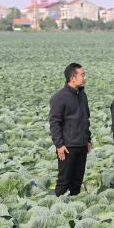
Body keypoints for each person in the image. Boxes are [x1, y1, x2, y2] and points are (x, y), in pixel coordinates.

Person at [49, 62, 92, 196]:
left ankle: (75, 207)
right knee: (64, 181)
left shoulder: (82, 95)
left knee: (77, 182)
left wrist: (88, 139)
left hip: (82, 144)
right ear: (72, 78)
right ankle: (56, 211)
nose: (85, 77)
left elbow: (86, 118)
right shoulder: (59, 97)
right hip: (68, 147)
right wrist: (59, 145)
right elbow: (54, 122)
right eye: (82, 75)